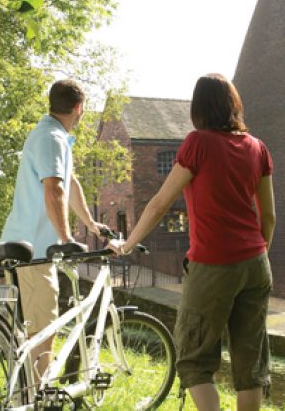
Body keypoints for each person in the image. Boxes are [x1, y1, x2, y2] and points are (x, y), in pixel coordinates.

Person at [108, 73, 276, 411]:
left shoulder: (197, 144)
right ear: (233, 105)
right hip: (257, 264)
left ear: (198, 109)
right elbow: (268, 217)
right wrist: (257, 257)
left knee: (194, 359)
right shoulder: (257, 147)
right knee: (251, 366)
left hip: (213, 265)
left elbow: (159, 203)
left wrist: (127, 245)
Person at [1, 79, 107, 376]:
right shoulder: (52, 138)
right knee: (43, 331)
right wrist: (66, 238)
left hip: (23, 245)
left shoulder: (52, 136)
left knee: (29, 332)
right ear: (78, 107)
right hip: (34, 251)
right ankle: (35, 395)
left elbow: (70, 183)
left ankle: (24, 391)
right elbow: (55, 190)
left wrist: (90, 224)